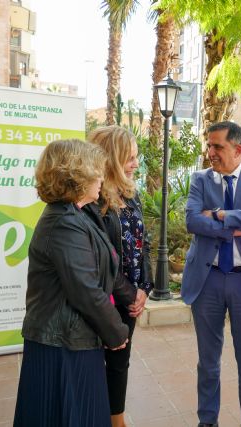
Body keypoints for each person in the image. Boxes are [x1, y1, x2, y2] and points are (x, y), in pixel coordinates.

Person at [14, 139, 137, 427]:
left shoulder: (74, 215)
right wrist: (117, 332)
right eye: (96, 171)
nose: (101, 177)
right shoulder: (65, 222)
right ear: (76, 177)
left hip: (72, 339)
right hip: (63, 345)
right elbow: (86, 292)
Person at [182, 121, 241, 427]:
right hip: (207, 278)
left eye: (217, 146)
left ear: (238, 149)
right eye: (208, 145)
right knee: (208, 363)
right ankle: (207, 420)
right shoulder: (200, 180)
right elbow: (193, 222)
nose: (210, 152)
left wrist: (220, 215)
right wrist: (237, 225)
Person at [85, 126, 153, 427]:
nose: (136, 164)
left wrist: (145, 288)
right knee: (98, 361)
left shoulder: (132, 194)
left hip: (131, 298)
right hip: (108, 298)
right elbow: (101, 261)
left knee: (119, 361)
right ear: (111, 158)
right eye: (130, 158)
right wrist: (130, 294)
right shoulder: (92, 203)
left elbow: (143, 244)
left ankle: (116, 418)